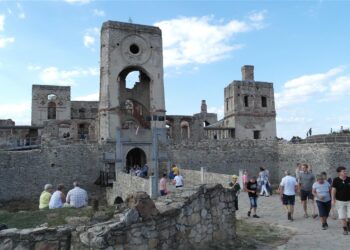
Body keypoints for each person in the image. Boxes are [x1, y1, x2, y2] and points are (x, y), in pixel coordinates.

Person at [332, 166, 350, 235]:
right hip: (340, 201)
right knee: (342, 216)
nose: (345, 172)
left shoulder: (349, 179)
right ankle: (345, 229)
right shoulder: (336, 180)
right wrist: (333, 200)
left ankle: (348, 224)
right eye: (343, 171)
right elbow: (333, 190)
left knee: (349, 216)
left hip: (349, 201)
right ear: (339, 173)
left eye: (345, 171)